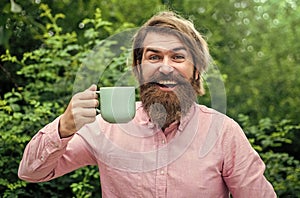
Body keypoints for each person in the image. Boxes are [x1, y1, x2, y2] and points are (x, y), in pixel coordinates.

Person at [18, 11, 276, 197]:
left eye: (178, 57)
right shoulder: (106, 128)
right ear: (138, 69)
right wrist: (64, 126)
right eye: (154, 56)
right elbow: (32, 172)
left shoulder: (224, 133)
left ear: (196, 71)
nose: (165, 68)